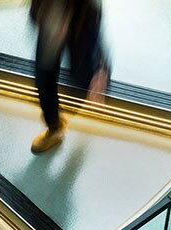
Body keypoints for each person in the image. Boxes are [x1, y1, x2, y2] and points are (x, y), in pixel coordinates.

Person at [30, 0, 110, 153]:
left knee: (83, 79)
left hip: (81, 14)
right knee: (43, 77)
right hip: (53, 15)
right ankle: (55, 126)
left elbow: (94, 33)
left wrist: (100, 67)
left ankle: (61, 118)